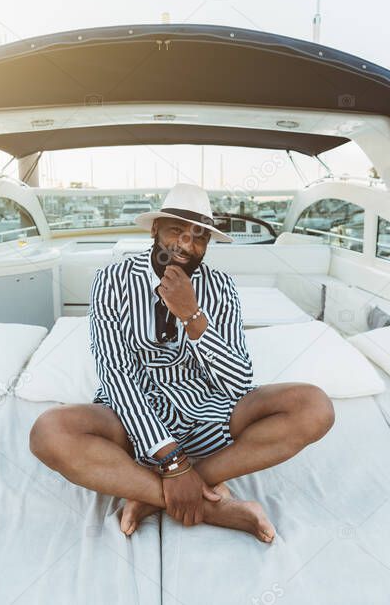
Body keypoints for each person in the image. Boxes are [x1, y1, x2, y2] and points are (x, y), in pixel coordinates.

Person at [29, 183, 335, 542]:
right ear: (155, 229)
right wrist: (171, 459)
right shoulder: (111, 281)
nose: (187, 245)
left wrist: (192, 316)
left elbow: (237, 382)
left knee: (314, 407)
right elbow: (116, 375)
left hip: (212, 412)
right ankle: (210, 507)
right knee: (49, 432)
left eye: (199, 237)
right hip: (134, 419)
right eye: (177, 230)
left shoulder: (221, 287)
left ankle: (152, 495)